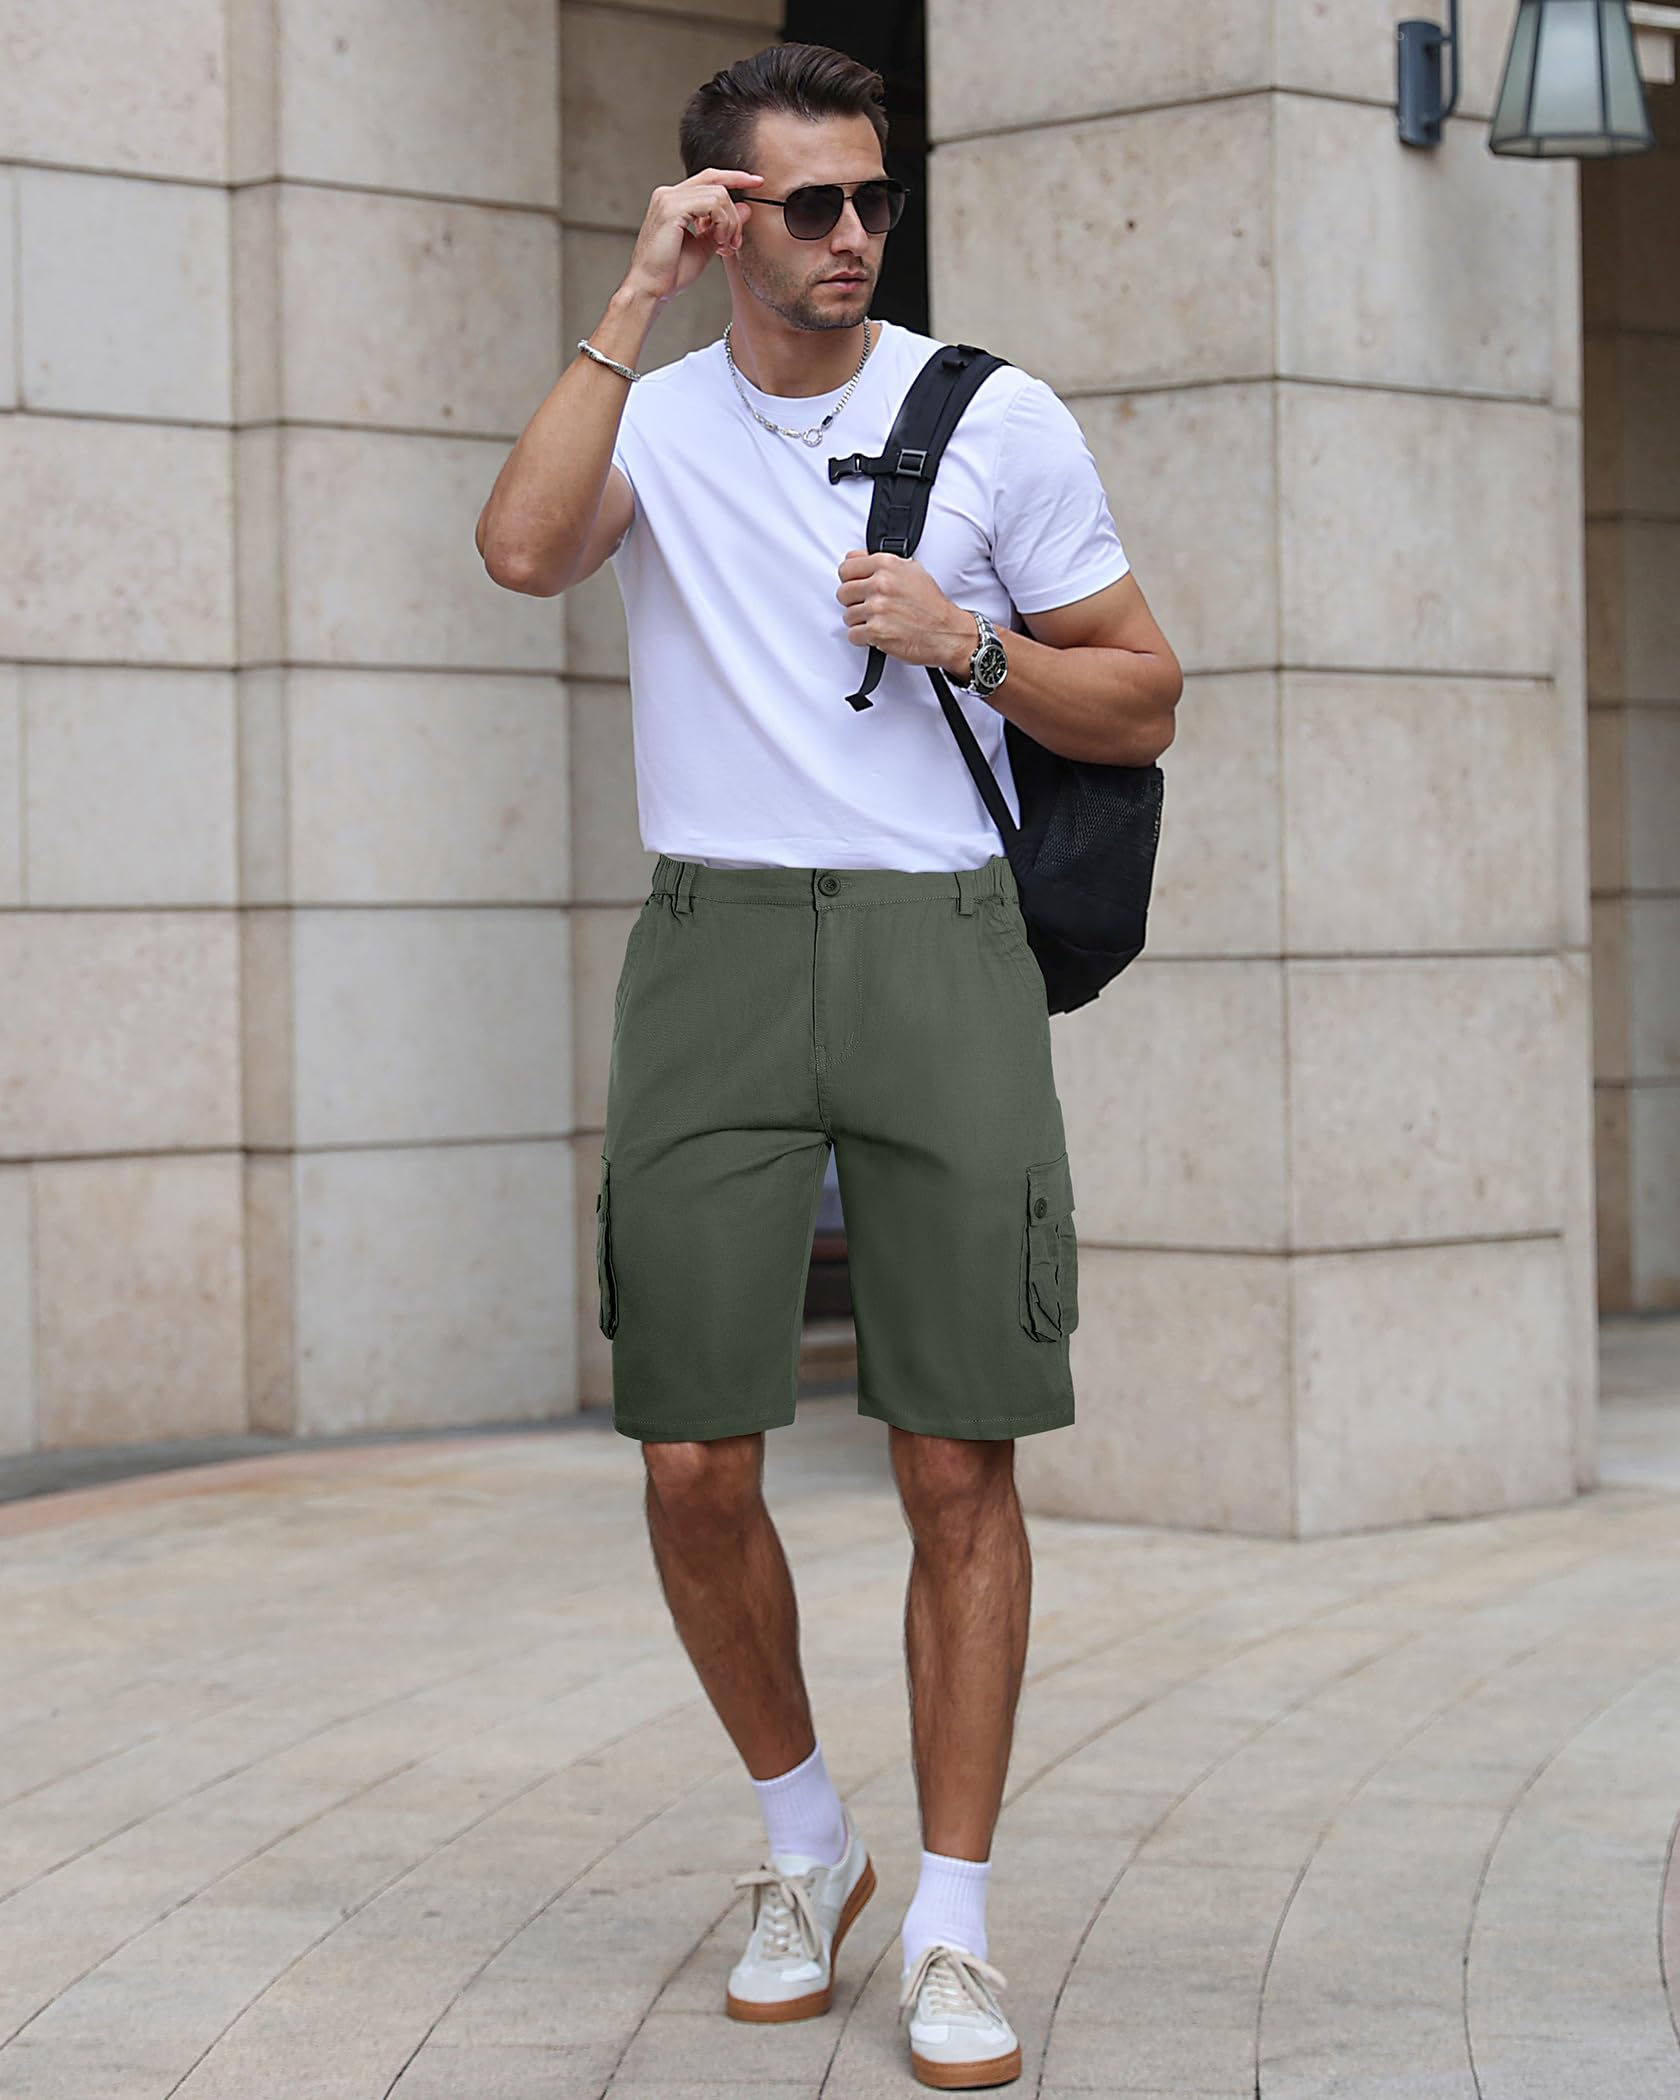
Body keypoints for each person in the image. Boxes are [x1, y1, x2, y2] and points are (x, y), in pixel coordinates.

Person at [476, 41, 1180, 2091]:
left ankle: (953, 1914)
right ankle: (809, 1845)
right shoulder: (653, 414)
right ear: (720, 218)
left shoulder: (992, 418)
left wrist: (974, 644)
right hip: (710, 946)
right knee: (691, 1453)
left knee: (958, 1455)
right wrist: (630, 300)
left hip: (938, 946)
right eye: (808, 203)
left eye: (873, 196)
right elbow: (521, 552)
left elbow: (1143, 695)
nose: (853, 232)